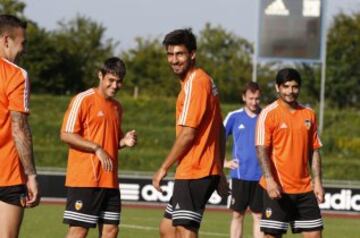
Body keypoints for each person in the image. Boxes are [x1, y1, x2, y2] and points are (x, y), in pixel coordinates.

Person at [152, 28, 229, 238]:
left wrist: (163, 168)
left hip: (197, 168)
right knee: (168, 228)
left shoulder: (196, 83)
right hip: (198, 168)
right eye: (170, 54)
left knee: (185, 230)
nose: (174, 60)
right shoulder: (200, 82)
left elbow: (187, 133)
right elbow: (219, 129)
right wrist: (220, 170)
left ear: (192, 54)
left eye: (180, 54)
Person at [60, 57, 137, 238]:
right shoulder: (83, 99)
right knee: (79, 232)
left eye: (119, 82)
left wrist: (124, 141)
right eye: (111, 80)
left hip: (110, 181)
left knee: (111, 230)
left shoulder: (117, 107)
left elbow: (111, 141)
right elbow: (66, 134)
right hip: (86, 179)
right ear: (100, 75)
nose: (115, 85)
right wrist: (96, 148)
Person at [255, 68, 324, 238]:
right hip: (278, 189)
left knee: (315, 235)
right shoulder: (268, 114)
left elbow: (314, 150)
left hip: (305, 189)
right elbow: (261, 149)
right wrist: (270, 180)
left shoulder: (309, 114)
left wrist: (317, 181)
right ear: (278, 88)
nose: (290, 91)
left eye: (294, 87)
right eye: (286, 87)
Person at [0, 14, 40, 238]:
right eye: (22, 43)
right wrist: (31, 175)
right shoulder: (16, 75)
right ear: (7, 40)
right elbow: (19, 127)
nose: (24, 49)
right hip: (7, 172)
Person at [223, 82, 263, 238]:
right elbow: (218, 139)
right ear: (244, 97)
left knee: (258, 216)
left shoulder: (266, 116)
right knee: (237, 215)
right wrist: (224, 162)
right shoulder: (234, 116)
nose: (254, 102)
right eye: (251, 98)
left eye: (257, 99)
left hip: (261, 177)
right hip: (240, 175)